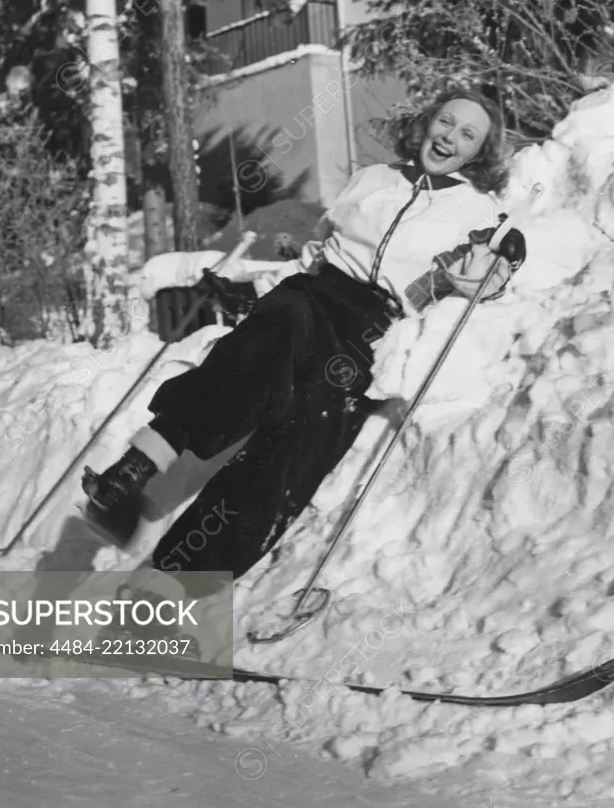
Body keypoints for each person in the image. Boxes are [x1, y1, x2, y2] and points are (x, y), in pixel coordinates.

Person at [82, 87, 525, 580]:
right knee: (262, 343)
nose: (450, 137)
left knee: (303, 431)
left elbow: (498, 265)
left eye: (468, 134)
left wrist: (497, 270)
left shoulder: (479, 210)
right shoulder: (373, 178)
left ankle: (176, 583)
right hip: (315, 291)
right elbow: (319, 244)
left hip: (372, 325)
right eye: (446, 121)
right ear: (427, 122)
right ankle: (141, 464)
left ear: (481, 152)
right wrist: (269, 279)